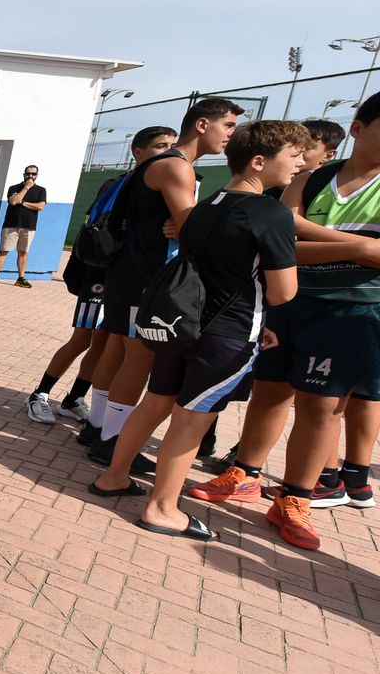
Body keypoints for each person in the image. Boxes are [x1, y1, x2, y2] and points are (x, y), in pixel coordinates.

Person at [89, 120, 306, 542]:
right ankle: (163, 508)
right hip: (229, 332)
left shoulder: (208, 204)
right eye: (293, 156)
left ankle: (112, 476)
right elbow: (282, 293)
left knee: (154, 403)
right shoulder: (271, 212)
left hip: (182, 325)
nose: (298, 164)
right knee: (190, 421)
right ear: (260, 161)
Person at [189, 93, 380, 547]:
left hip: (352, 309)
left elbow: (290, 235)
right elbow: (283, 238)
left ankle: (295, 498)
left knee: (321, 405)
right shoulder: (316, 178)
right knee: (270, 392)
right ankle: (244, 474)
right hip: (289, 299)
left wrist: (302, 241)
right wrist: (356, 247)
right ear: (358, 128)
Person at [87, 98, 243, 468]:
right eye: (229, 126)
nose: (231, 136)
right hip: (145, 277)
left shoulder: (163, 164)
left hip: (132, 273)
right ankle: (109, 441)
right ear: (203, 125)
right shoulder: (176, 167)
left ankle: (97, 428)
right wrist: (197, 223)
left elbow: (183, 224)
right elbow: (192, 228)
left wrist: (186, 223)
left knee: (121, 353)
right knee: (137, 360)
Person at [29, 128, 177, 427]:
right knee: (82, 338)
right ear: (138, 151)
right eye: (161, 146)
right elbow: (103, 232)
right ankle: (39, 394)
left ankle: (74, 399)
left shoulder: (161, 183)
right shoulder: (121, 185)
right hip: (100, 275)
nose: (169, 152)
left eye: (172, 146)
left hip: (127, 279)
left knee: (105, 343)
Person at [0, 165, 46, 287]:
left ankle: (20, 278)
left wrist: (23, 202)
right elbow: (13, 201)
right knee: (4, 250)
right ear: (24, 174)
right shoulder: (14, 188)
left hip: (28, 226)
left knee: (23, 252)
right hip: (11, 224)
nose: (31, 176)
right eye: (28, 173)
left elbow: (40, 206)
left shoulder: (41, 190)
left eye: (33, 174)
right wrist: (26, 188)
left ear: (37, 175)